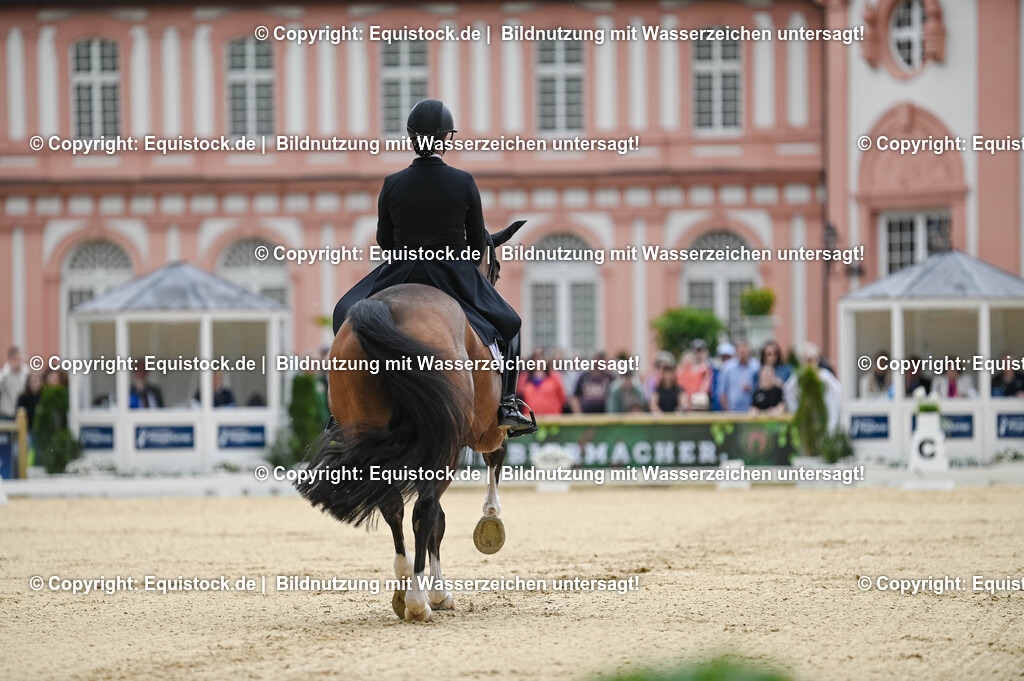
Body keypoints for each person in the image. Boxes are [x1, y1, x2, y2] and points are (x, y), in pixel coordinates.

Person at [331, 98, 535, 436]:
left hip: (402, 271)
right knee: (511, 325)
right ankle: (509, 403)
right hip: (454, 273)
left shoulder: (392, 183)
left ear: (411, 139)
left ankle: (341, 410)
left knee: (344, 314)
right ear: (446, 139)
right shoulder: (463, 181)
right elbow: (474, 243)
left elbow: (385, 240)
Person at [784, 341, 842, 430]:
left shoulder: (825, 377)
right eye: (809, 360)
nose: (812, 363)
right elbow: (789, 394)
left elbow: (836, 395)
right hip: (804, 422)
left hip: (823, 421)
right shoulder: (797, 378)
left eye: (815, 359)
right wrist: (796, 414)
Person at [718, 341, 760, 412]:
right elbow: (722, 391)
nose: (742, 350)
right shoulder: (728, 367)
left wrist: (751, 387)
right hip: (732, 411)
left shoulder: (756, 366)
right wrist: (726, 410)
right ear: (736, 351)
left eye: (744, 347)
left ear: (749, 350)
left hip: (752, 413)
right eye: (739, 348)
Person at [0, 346, 28, 419]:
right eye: (15, 359)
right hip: (6, 413)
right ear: (10, 360)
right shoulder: (4, 374)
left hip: (22, 413)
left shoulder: (26, 373)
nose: (18, 362)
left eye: (19, 359)